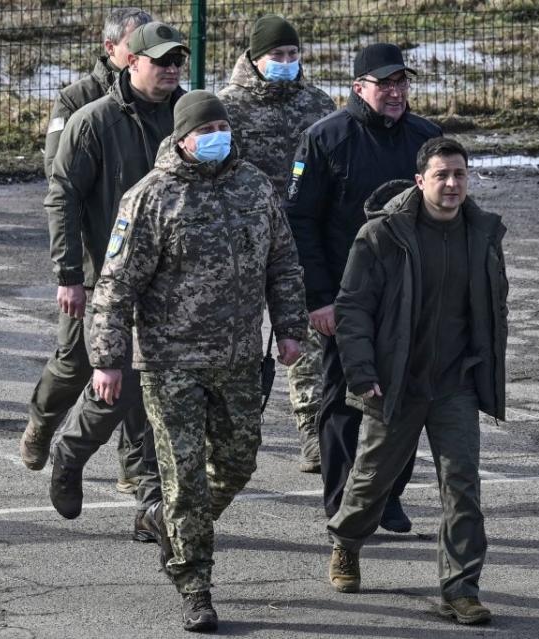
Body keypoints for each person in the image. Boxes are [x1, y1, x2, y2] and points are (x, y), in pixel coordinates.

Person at [88, 91, 308, 633]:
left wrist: (290, 327)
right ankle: (195, 585)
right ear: (183, 139)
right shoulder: (151, 198)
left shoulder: (255, 188)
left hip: (236, 357)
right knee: (184, 476)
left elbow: (283, 261)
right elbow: (115, 287)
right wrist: (108, 360)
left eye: (222, 128)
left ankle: (165, 520)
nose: (218, 137)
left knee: (237, 464)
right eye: (206, 130)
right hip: (171, 362)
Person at [327, 137, 507, 625]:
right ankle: (346, 540)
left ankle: (461, 588)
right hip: (397, 381)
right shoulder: (382, 235)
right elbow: (354, 309)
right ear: (419, 180)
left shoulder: (483, 233)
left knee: (463, 485)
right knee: (373, 480)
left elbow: (493, 307)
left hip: (455, 383)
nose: (452, 185)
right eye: (442, 175)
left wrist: (487, 369)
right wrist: (363, 372)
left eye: (460, 175)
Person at [37, 20, 189, 540]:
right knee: (112, 385)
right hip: (112, 279)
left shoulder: (189, 118)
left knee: (164, 394)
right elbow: (63, 196)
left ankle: (151, 503)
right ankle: (69, 448)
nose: (172, 70)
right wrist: (69, 275)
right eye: (162, 61)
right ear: (131, 61)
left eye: (178, 62)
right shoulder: (93, 120)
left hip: (175, 287)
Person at [284, 42, 442, 531]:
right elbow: (302, 221)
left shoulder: (426, 137)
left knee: (406, 400)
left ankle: (387, 496)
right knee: (343, 403)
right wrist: (320, 299)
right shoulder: (326, 138)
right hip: (347, 296)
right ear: (358, 88)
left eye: (402, 83)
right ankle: (342, 503)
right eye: (384, 84)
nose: (395, 93)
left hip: (413, 295)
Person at [22, 6, 153, 502]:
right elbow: (63, 189)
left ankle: (135, 465)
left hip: (144, 265)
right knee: (77, 360)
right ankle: (42, 421)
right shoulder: (79, 101)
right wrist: (70, 272)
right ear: (112, 50)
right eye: (138, 45)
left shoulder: (162, 102)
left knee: (140, 366)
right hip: (94, 263)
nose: (149, 54)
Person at [217, 14, 335, 474]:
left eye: (292, 55)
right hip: (244, 238)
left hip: (300, 237)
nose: (286, 63)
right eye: (276, 56)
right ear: (254, 57)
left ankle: (313, 433)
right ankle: (227, 433)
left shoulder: (317, 103)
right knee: (239, 340)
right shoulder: (229, 107)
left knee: (304, 335)